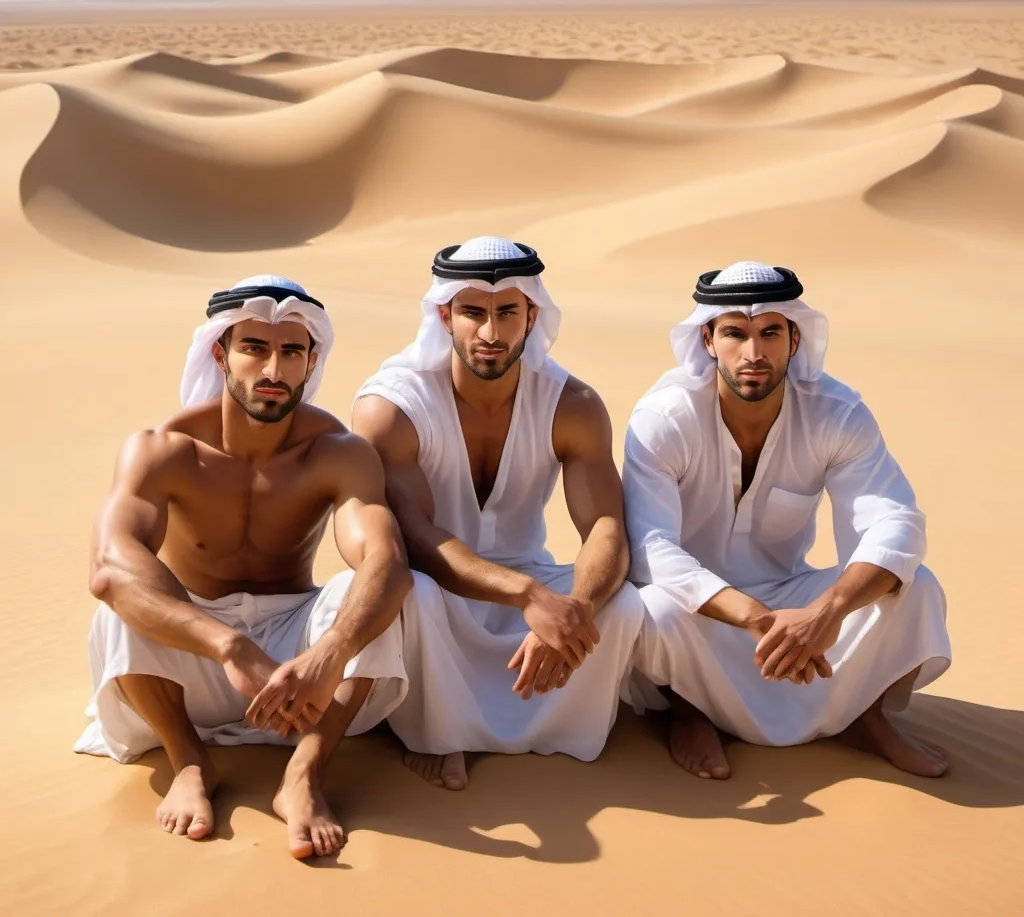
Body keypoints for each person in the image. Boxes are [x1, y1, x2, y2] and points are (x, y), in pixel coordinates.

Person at [75, 276, 412, 858]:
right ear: (219, 353)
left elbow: (386, 561)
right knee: (119, 602)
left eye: (291, 351)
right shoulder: (164, 448)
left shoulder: (338, 451)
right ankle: (189, 761)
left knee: (378, 594)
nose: (273, 369)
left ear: (311, 360)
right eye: (254, 348)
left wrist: (329, 651)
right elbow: (109, 565)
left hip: (299, 671)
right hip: (195, 660)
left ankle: (303, 775)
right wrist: (228, 647)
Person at [623, 262, 952, 780]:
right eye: (735, 333)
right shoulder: (666, 419)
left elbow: (895, 523)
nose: (753, 353)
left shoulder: (836, 413)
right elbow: (650, 548)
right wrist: (757, 619)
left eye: (770, 332)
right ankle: (689, 713)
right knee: (647, 605)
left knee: (917, 587)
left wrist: (827, 611)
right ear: (708, 340)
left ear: (794, 338)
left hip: (794, 601)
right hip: (702, 610)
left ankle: (862, 718)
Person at [352, 237, 643, 790]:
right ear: (444, 315)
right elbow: (415, 535)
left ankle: (550, 730)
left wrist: (575, 607)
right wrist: (529, 598)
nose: (489, 333)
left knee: (622, 602)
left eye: (507, 312)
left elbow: (606, 526)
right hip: (441, 586)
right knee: (413, 595)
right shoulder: (392, 408)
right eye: (472, 313)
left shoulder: (572, 405)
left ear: (532, 316)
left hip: (528, 582)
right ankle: (436, 737)